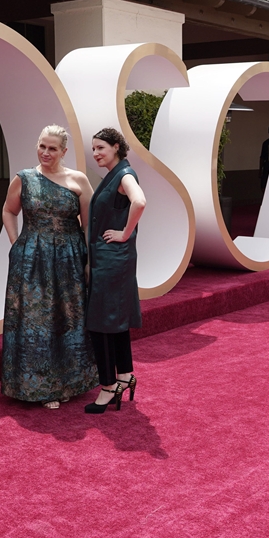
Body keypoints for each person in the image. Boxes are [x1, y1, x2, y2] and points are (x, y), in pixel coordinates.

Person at [1, 126, 97, 409]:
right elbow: (8, 210)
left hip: (70, 258)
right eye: (42, 146)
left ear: (64, 152)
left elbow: (89, 224)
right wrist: (15, 242)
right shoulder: (25, 179)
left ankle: (69, 382)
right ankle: (39, 387)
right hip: (32, 260)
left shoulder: (78, 180)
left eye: (52, 148)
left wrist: (90, 259)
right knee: (35, 322)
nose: (45, 152)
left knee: (68, 318)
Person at [84, 127, 146, 414]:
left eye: (101, 148)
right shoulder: (115, 174)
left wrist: (124, 233)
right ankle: (125, 377)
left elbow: (140, 201)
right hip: (111, 259)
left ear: (117, 147)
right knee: (114, 320)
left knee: (101, 323)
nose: (96, 153)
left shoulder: (124, 174)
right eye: (94, 148)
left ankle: (108, 387)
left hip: (112, 260)